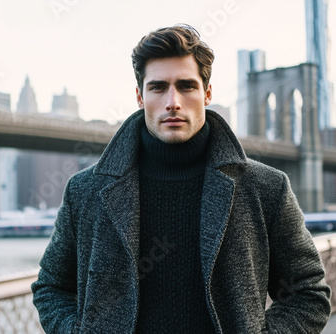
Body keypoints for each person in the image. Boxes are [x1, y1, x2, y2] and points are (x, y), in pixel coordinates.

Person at [31, 24, 331, 333]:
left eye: (186, 86)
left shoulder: (266, 188)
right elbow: (51, 288)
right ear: (139, 96)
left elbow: (309, 293)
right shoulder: (86, 191)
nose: (172, 101)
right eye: (158, 87)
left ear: (207, 93)